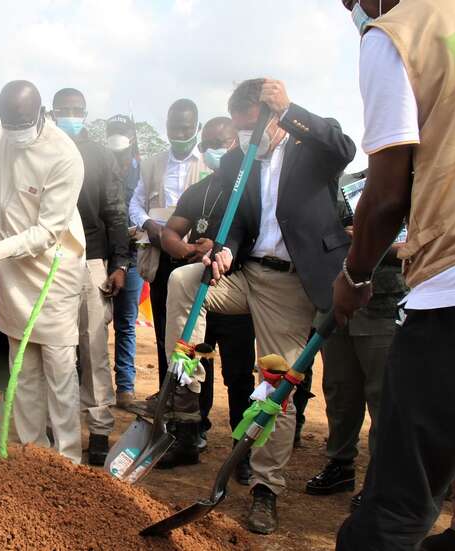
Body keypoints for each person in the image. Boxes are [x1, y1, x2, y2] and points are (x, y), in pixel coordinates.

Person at [164, 78, 355, 534]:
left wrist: (291, 109)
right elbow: (238, 222)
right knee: (182, 281)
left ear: (273, 119)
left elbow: (344, 147)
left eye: (252, 127)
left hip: (290, 286)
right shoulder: (237, 161)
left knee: (276, 388)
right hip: (244, 274)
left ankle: (266, 488)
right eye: (239, 129)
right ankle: (186, 382)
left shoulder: (311, 148)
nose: (246, 138)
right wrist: (225, 249)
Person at [335, 1, 455, 548]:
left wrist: (353, 277)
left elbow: (384, 200)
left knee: (397, 503)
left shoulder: (397, 34)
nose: (351, 10)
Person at [0, 81, 86, 463]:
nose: (16, 130)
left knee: (58, 370)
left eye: (23, 122)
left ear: (41, 113)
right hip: (10, 272)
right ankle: (32, 454)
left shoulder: (65, 155)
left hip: (52, 272)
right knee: (22, 369)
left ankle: (68, 459)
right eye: (9, 122)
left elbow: (47, 232)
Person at [157, 116, 256, 473]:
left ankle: (241, 454)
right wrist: (187, 252)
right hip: (196, 292)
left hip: (233, 295)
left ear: (237, 144)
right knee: (190, 365)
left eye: (224, 142)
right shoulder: (200, 191)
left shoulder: (251, 188)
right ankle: (188, 437)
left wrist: (221, 248)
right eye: (210, 143)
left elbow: (252, 238)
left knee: (239, 377)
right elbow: (170, 231)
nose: (216, 149)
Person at [305, 170, 406, 508]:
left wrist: (368, 242)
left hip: (384, 304)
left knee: (382, 396)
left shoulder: (420, 189)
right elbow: (322, 236)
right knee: (340, 389)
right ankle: (340, 463)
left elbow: (414, 249)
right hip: (340, 303)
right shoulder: (348, 184)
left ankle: (380, 479)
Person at [51, 88, 130, 465]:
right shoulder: (42, 149)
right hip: (48, 262)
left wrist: (120, 264)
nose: (70, 115)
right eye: (63, 110)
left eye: (76, 110)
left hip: (92, 262)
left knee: (94, 348)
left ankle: (99, 429)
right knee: (56, 348)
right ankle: (59, 424)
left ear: (85, 114)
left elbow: (116, 211)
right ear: (51, 112)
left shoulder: (100, 155)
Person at [129, 99, 210, 389]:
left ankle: (197, 404)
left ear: (197, 128)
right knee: (165, 330)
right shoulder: (152, 165)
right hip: (162, 256)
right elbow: (136, 204)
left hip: (197, 257)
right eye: (174, 128)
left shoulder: (210, 164)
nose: (179, 134)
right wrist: (149, 225)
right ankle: (168, 392)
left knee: (195, 334)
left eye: (186, 128)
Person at [106, 114, 143, 408]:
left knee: (126, 324)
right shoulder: (99, 167)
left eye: (121, 132)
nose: (116, 137)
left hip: (132, 258)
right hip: (101, 256)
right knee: (89, 324)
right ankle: (87, 382)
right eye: (112, 132)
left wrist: (137, 229)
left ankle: (125, 387)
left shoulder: (142, 172)